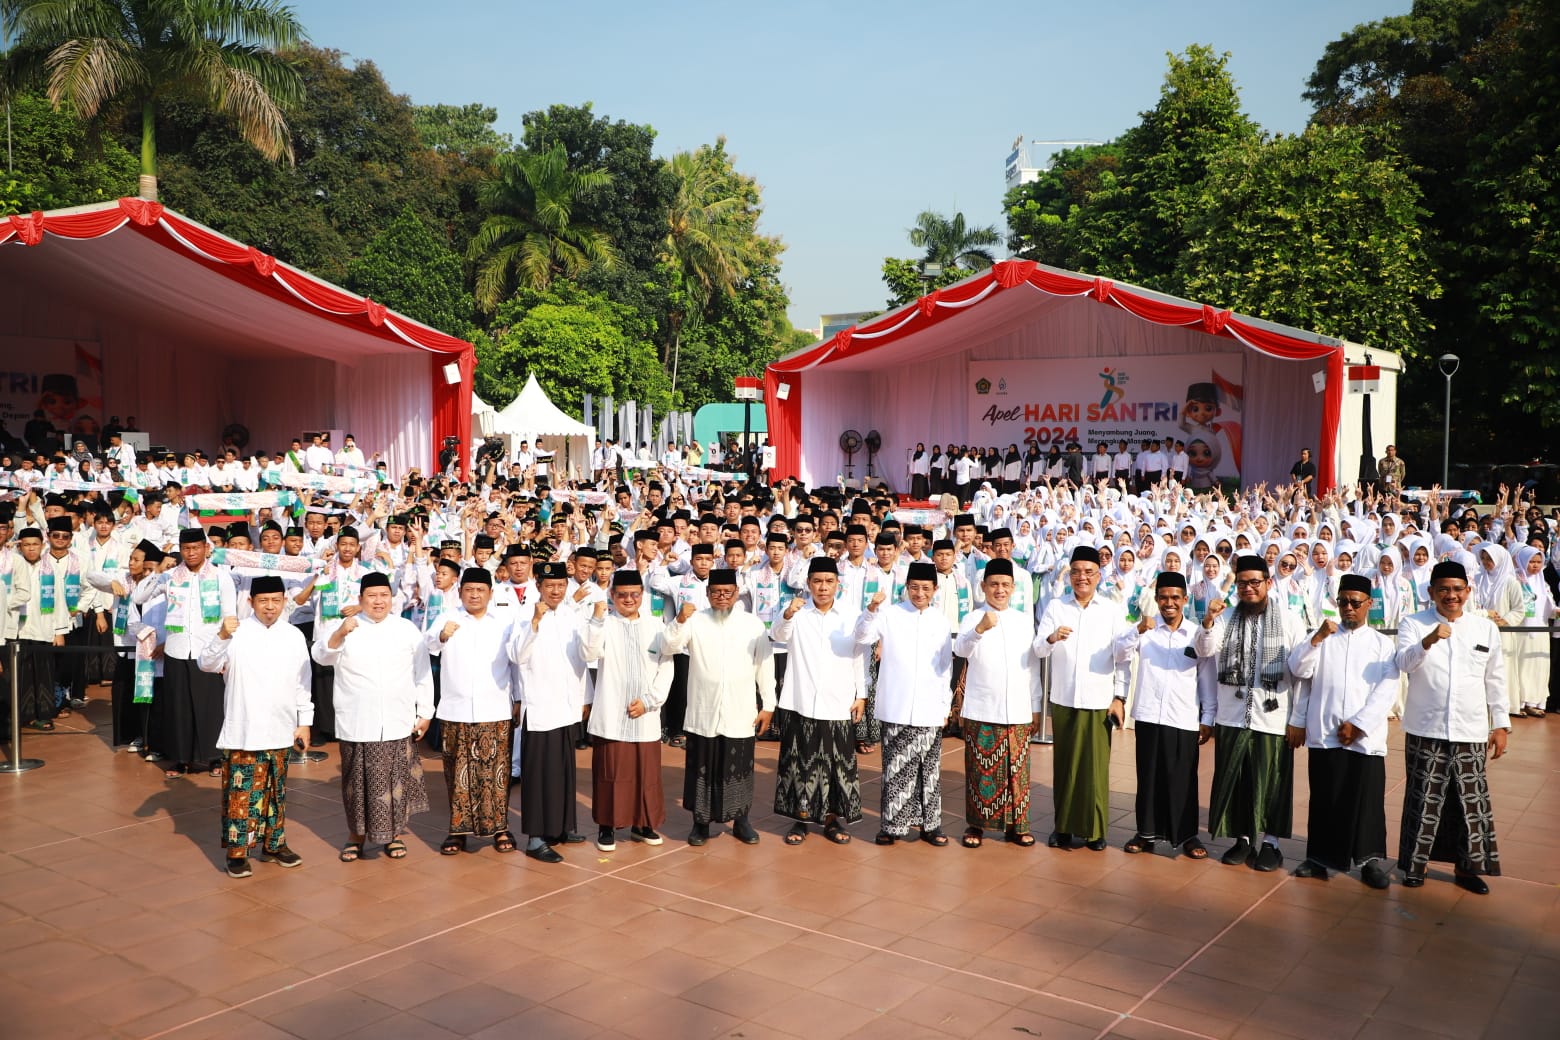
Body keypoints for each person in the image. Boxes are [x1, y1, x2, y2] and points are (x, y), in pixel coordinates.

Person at [1394, 561, 1509, 894]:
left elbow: (1496, 679)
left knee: (1468, 801)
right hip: (1425, 727)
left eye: (1458, 589)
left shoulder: (1484, 628)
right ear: (1431, 592)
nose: (1451, 595)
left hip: (1470, 729)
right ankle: (1416, 866)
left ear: (1468, 592)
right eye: (1443, 589)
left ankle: (1467, 867)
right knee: (1423, 798)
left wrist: (1500, 724)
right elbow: (1402, 663)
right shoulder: (1414, 623)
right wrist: (1427, 641)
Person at [1286, 573, 1401, 888]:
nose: (1348, 608)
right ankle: (1320, 859)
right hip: (1325, 732)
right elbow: (1298, 670)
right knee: (1325, 797)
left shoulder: (1381, 644)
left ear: (1369, 604)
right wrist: (1316, 638)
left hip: (1364, 738)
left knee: (1366, 801)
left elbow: (1386, 690)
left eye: (1355, 602)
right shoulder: (1323, 637)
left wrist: (1359, 725)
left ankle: (1368, 861)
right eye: (1343, 602)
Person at [1195, 555, 1308, 872]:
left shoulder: (1289, 620)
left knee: (1272, 782)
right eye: (1242, 582)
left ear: (1268, 583)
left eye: (1254, 582)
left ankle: (1271, 843)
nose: (1248, 588)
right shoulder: (1225, 616)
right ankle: (1243, 839)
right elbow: (1205, 651)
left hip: (1272, 718)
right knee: (1239, 781)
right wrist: (1207, 621)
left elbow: (1303, 674)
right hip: (1232, 715)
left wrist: (1298, 719)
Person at [313, 572, 433, 863]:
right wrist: (340, 633)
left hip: (397, 718)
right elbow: (321, 655)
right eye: (372, 596)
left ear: (392, 599)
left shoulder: (406, 629)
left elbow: (422, 673)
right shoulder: (346, 627)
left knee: (395, 783)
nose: (378, 601)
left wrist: (425, 712)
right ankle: (355, 837)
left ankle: (393, 836)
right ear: (360, 599)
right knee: (357, 783)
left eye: (384, 595)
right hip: (357, 720)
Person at [199, 576, 312, 879]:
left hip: (282, 726)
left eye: (276, 600)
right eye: (264, 601)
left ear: (284, 601)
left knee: (277, 792)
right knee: (242, 792)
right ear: (251, 602)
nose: (270, 607)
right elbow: (206, 664)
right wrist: (222, 635)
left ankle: (274, 845)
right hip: (244, 727)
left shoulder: (293, 635)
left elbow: (304, 682)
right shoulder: (235, 632)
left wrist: (305, 723)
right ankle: (237, 853)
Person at [663, 567, 776, 845]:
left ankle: (741, 821)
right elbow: (669, 646)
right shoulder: (694, 621)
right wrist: (678, 620)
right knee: (702, 767)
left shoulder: (752, 624)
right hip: (704, 709)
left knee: (738, 768)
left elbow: (765, 664)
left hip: (741, 709)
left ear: (737, 594)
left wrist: (769, 704)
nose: (722, 597)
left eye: (727, 592)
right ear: (707, 594)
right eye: (716, 592)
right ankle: (700, 824)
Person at [1034, 545, 1132, 851]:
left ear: (1098, 575)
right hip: (1064, 698)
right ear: (1069, 574)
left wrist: (1120, 697)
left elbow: (1123, 658)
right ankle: (1062, 827)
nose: (1082, 578)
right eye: (1076, 571)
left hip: (1099, 700)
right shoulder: (1056, 607)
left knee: (1094, 769)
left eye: (1088, 572)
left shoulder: (1111, 610)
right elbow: (1038, 648)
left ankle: (1095, 830)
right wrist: (1051, 638)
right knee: (1064, 767)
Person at [853, 561, 953, 846]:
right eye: (914, 587)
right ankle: (891, 826)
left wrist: (945, 706)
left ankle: (930, 825)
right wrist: (871, 609)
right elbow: (862, 636)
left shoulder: (940, 621)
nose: (919, 593)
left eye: (925, 588)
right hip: (895, 704)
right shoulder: (890, 615)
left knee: (928, 768)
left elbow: (946, 667)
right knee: (895, 768)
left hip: (930, 707)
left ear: (934, 589)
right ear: (906, 588)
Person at [770, 557, 866, 845]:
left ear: (838, 584)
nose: (823, 587)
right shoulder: (796, 611)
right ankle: (801, 820)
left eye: (828, 581)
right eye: (817, 581)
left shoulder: (850, 615)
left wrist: (861, 694)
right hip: (800, 699)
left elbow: (859, 655)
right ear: (808, 583)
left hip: (838, 700)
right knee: (800, 762)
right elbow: (777, 635)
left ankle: (831, 820)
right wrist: (787, 613)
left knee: (836, 765)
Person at [1119, 570, 1213, 858]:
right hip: (1148, 714)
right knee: (1148, 776)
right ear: (1156, 599)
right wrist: (1137, 630)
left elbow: (1207, 674)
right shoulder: (1145, 631)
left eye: (1175, 597)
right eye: (1163, 597)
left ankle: (1187, 836)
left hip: (1183, 717)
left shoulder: (1197, 633)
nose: (1169, 603)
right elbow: (1120, 653)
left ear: (1185, 599)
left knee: (1183, 778)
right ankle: (1145, 833)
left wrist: (1207, 717)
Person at [426, 567, 518, 855]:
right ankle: (458, 831)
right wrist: (441, 635)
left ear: (490, 593)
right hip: (456, 708)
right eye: (469, 590)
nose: (474, 595)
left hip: (495, 707)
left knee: (496, 773)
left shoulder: (504, 622)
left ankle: (500, 828)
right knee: (457, 773)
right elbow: (426, 645)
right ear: (460, 591)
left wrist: (519, 699)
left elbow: (516, 662)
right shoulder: (447, 617)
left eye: (480, 590)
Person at [582, 570, 675, 851]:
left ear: (642, 595)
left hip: (646, 713)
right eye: (622, 595)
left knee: (646, 774)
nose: (629, 600)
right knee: (611, 773)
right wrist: (597, 620)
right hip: (613, 713)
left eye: (635, 594)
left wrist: (649, 700)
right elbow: (588, 653)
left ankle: (643, 825)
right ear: (612, 596)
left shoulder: (656, 625)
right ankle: (607, 826)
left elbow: (666, 667)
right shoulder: (603, 624)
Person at [952, 558, 1040, 847]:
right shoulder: (972, 618)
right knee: (981, 770)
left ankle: (1017, 827)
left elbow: (1032, 667)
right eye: (993, 585)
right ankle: (976, 825)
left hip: (1017, 707)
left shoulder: (1024, 621)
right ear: (983, 587)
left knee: (1017, 771)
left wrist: (1035, 705)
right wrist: (980, 628)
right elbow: (961, 649)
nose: (999, 590)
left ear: (1013, 588)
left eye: (1004, 585)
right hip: (981, 706)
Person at [510, 561, 592, 862]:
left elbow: (582, 660)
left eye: (560, 585)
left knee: (564, 771)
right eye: (549, 586)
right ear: (539, 587)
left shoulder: (573, 615)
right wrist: (534, 622)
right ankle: (535, 837)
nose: (555, 591)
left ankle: (561, 826)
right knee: (539, 774)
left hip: (568, 705)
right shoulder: (524, 614)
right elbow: (516, 655)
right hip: (540, 705)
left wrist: (587, 698)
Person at [148, 527, 237, 778]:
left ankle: (214, 757)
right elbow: (140, 594)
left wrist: (225, 654)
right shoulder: (170, 576)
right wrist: (158, 571)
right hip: (177, 650)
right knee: (178, 708)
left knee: (210, 706)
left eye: (196, 547)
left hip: (208, 652)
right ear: (180, 550)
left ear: (206, 549)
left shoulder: (221, 577)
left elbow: (230, 617)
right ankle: (179, 759)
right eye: (186, 549)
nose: (191, 553)